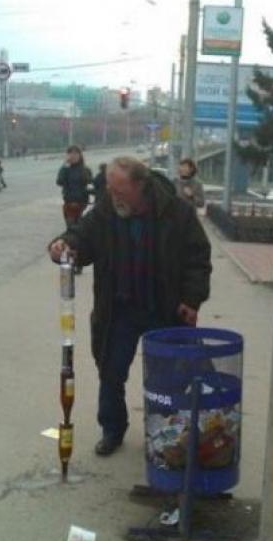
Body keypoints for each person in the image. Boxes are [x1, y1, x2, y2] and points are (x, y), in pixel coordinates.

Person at [47, 156, 211, 456]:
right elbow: (82, 236)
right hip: (118, 309)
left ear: (140, 185)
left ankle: (163, 433)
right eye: (110, 189)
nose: (113, 196)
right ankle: (112, 429)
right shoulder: (107, 211)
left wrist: (192, 298)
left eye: (120, 191)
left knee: (166, 377)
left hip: (163, 308)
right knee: (110, 371)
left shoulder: (176, 212)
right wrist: (64, 245)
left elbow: (198, 259)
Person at [56, 145, 93, 274]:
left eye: (75, 154)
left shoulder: (85, 170)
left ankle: (79, 263)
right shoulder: (66, 169)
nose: (73, 156)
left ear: (80, 155)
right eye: (70, 153)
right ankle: (72, 262)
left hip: (82, 204)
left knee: (80, 233)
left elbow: (90, 184)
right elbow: (59, 181)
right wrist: (65, 166)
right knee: (71, 232)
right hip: (69, 204)